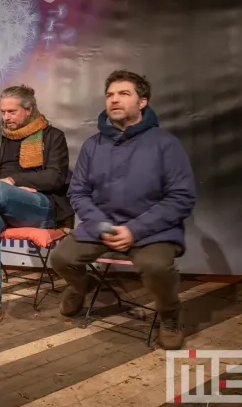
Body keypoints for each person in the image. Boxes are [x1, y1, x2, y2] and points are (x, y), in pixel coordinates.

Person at [50, 70, 196, 350]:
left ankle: (170, 316)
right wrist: (102, 225)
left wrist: (135, 230)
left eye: (123, 94)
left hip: (152, 230)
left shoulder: (165, 144)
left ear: (142, 102)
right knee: (61, 258)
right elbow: (78, 192)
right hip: (102, 226)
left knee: (155, 266)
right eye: (110, 95)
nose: (114, 100)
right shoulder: (93, 145)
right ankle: (83, 287)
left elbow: (182, 197)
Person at [0, 85, 72, 333]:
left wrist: (15, 183)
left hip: (41, 206)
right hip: (5, 205)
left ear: (28, 109)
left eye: (12, 111)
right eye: (3, 111)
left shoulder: (53, 137)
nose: (6, 117)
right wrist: (6, 188)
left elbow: (56, 177)